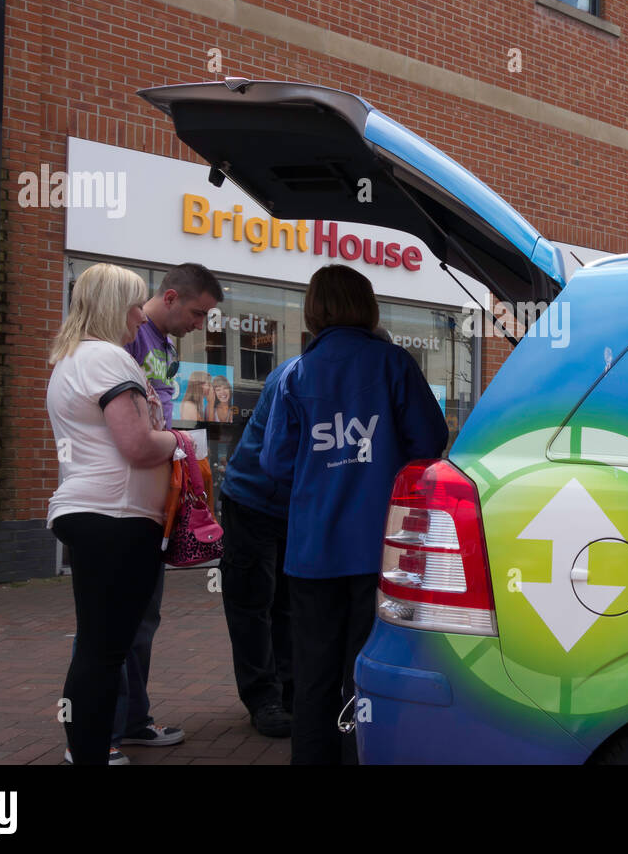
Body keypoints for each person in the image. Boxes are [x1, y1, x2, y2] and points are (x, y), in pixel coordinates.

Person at [261, 264, 449, 765]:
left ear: (313, 310)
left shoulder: (295, 376)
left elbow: (274, 462)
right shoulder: (393, 364)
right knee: (366, 667)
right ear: (367, 307)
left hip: (312, 552)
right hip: (378, 547)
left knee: (313, 673)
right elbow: (430, 440)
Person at [46, 263, 179, 766]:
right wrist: (183, 441)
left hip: (92, 513)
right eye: (130, 305)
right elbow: (139, 446)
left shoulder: (71, 359)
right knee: (105, 651)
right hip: (117, 517)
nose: (137, 318)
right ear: (109, 307)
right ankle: (89, 752)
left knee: (96, 645)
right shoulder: (110, 360)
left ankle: (86, 748)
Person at [120, 262, 224, 752]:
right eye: (198, 313)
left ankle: (133, 719)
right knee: (114, 621)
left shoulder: (162, 346)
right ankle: (109, 725)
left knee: (144, 617)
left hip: (157, 497)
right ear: (170, 297)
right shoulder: (130, 340)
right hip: (126, 499)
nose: (199, 325)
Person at [217, 360, 298, 738]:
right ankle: (264, 698)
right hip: (252, 499)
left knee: (288, 601)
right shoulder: (296, 376)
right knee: (252, 601)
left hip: (292, 507)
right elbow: (276, 455)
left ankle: (291, 691)